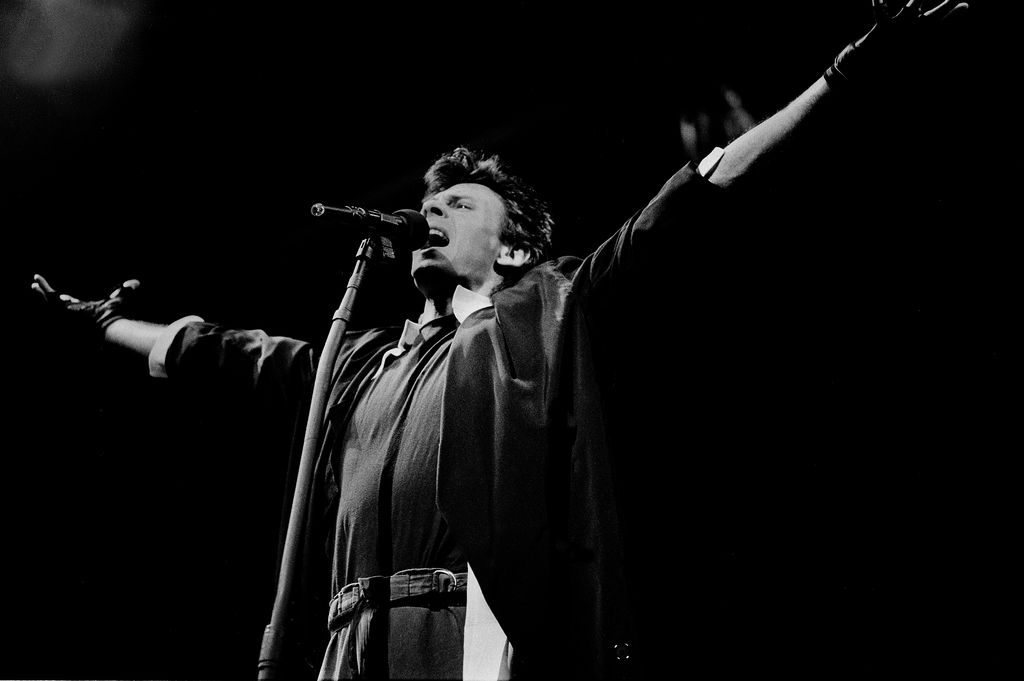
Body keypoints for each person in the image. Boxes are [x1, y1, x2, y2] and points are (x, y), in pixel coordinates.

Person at [31, 2, 971, 679]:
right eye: (429, 201)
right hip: (344, 642)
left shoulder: (549, 309)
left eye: (459, 202)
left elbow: (694, 199)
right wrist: (106, 323)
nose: (431, 211)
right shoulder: (358, 360)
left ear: (514, 244)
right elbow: (221, 352)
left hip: (466, 632)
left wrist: (837, 80)